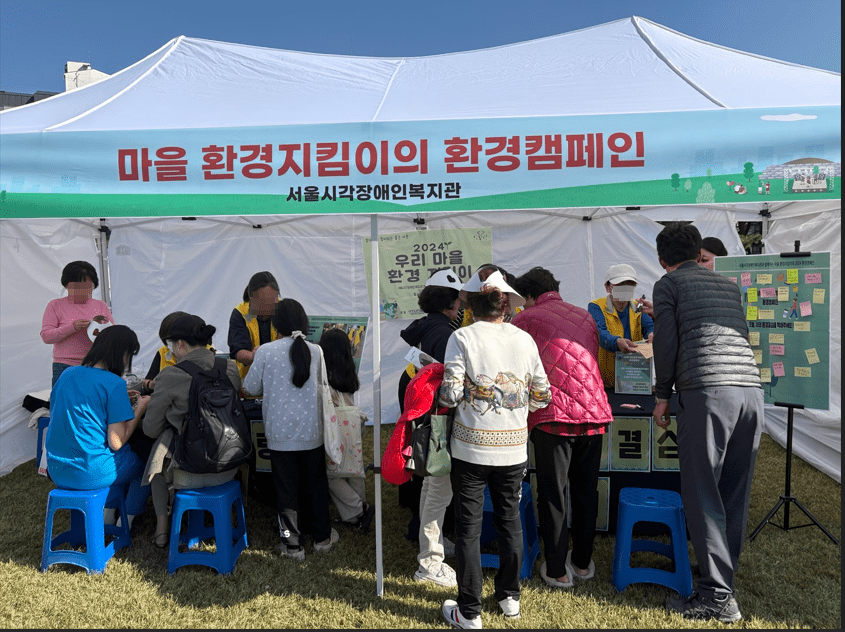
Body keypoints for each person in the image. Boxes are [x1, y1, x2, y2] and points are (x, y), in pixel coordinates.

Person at [652, 223, 763, 623]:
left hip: (708, 391)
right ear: (699, 251)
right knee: (733, 491)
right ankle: (720, 579)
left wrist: (662, 394)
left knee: (701, 492)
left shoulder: (668, 284)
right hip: (750, 390)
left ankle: (716, 597)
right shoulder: (728, 286)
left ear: (663, 259)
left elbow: (665, 343)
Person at [438, 271, 551, 628]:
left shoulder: (461, 337)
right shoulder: (524, 339)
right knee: (509, 521)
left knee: (468, 529)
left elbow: (450, 393)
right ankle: (509, 597)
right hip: (514, 447)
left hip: (470, 448)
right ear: (506, 306)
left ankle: (469, 611)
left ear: (471, 305)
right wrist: (518, 409)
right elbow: (543, 395)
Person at [511, 267, 613, 589]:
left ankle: (556, 570)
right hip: (593, 412)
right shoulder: (584, 315)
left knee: (554, 495)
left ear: (529, 296)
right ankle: (582, 564)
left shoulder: (525, 319)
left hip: (553, 415)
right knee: (586, 490)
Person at [243, 298, 339, 561]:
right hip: (312, 432)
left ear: (276, 324)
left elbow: (249, 388)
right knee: (316, 487)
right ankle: (322, 538)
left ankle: (292, 545)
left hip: (280, 435)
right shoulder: (316, 351)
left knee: (285, 491)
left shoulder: (265, 351)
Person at [142, 314, 241, 548]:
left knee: (161, 449)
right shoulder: (230, 368)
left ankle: (162, 528)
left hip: (188, 473)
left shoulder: (170, 375)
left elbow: (150, 428)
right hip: (229, 466)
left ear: (179, 345)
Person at [45, 325, 150, 529]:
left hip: (57, 469)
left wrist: (117, 401)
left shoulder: (67, 374)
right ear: (122, 354)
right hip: (90, 472)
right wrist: (141, 407)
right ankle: (124, 522)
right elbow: (116, 441)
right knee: (146, 462)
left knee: (121, 458)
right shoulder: (114, 383)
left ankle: (108, 514)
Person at [399, 268, 464, 586]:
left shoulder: (425, 326)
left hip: (422, 410)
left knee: (428, 480)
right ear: (451, 303)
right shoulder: (447, 334)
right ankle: (430, 556)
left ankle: (431, 541)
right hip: (438, 416)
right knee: (438, 484)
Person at [319, 327, 374, 533]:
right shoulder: (349, 371)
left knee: (332, 473)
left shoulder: (324, 374)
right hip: (352, 427)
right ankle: (356, 514)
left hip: (335, 429)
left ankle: (360, 509)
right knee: (354, 468)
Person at [41, 260, 115, 387]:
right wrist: (72, 327)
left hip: (96, 365)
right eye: (79, 287)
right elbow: (46, 336)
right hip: (65, 366)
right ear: (67, 285)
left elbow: (113, 334)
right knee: (65, 404)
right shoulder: (55, 305)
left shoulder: (101, 305)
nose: (85, 292)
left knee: (95, 404)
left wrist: (102, 331)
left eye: (89, 287)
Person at [588, 263, 654, 389]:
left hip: (636, 380)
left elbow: (649, 326)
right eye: (619, 285)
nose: (625, 289)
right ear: (607, 287)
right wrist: (616, 342)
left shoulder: (638, 307)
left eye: (629, 286)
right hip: (605, 383)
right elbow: (599, 332)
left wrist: (652, 333)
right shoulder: (596, 306)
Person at [228, 271, 282, 382]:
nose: (271, 306)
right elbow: (237, 351)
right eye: (265, 302)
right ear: (252, 298)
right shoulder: (241, 314)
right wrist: (255, 355)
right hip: (249, 381)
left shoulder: (283, 309)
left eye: (274, 300)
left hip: (278, 380)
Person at [139, 311, 189, 395]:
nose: (169, 346)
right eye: (167, 342)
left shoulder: (204, 353)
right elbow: (147, 381)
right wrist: (150, 385)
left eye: (172, 341)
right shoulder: (163, 352)